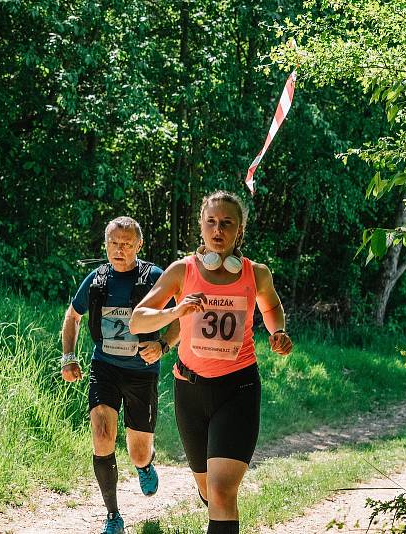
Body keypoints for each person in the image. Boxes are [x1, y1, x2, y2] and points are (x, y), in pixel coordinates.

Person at [130, 191, 293, 534]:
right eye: (211, 222)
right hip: (190, 391)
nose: (218, 230)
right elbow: (137, 320)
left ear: (240, 231)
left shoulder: (256, 274)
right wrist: (175, 310)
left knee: (221, 491)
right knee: (208, 490)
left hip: (238, 389)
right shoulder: (182, 271)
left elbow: (272, 306)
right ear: (201, 227)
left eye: (227, 223)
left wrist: (277, 331)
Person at [60, 216, 179, 534]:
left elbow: (182, 316)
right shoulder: (97, 279)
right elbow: (73, 316)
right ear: (105, 244)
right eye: (113, 243)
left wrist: (164, 345)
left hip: (142, 373)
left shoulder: (154, 277)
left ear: (139, 245)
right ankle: (113, 516)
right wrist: (68, 356)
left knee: (137, 450)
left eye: (126, 244)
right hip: (105, 368)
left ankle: (145, 464)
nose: (119, 249)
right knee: (101, 435)